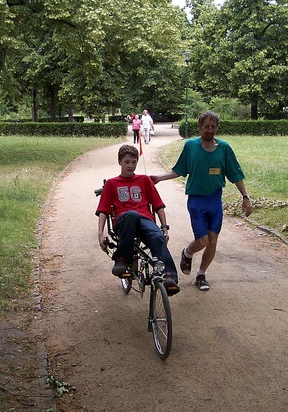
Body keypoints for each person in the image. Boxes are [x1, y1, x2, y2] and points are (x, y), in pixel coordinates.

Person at [151, 110, 253, 292]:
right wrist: (159, 177)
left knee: (213, 240)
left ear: (217, 128)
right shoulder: (190, 146)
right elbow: (180, 169)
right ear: (199, 127)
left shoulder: (224, 149)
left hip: (215, 200)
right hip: (196, 201)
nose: (210, 130)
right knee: (203, 240)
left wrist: (245, 198)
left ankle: (201, 274)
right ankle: (187, 253)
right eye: (206, 126)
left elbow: (235, 174)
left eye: (213, 127)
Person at [96, 144, 180, 296]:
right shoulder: (111, 183)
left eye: (134, 162)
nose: (130, 166)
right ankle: (122, 258)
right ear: (119, 162)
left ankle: (169, 276)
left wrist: (164, 228)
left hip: (145, 220)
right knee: (132, 215)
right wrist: (100, 233)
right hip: (124, 221)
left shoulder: (144, 180)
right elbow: (103, 210)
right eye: (127, 162)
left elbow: (158, 205)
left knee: (156, 235)